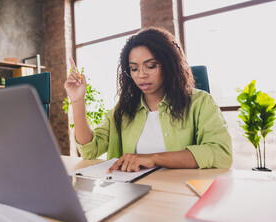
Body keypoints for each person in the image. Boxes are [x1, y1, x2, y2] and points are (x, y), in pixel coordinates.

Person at [64, 27, 232, 173]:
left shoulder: (199, 102)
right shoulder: (124, 110)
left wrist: (153, 158)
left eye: (150, 66)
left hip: (182, 194)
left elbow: (221, 153)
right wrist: (78, 101)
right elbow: (89, 150)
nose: (141, 74)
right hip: (134, 194)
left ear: (168, 64)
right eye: (134, 68)